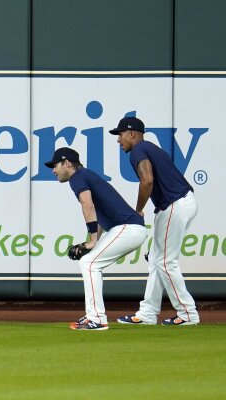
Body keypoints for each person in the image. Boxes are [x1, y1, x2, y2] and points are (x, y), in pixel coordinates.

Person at [44, 147, 147, 330]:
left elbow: (87, 205)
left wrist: (92, 240)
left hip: (127, 228)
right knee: (89, 262)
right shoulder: (85, 175)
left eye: (55, 165)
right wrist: (94, 241)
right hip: (127, 228)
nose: (53, 170)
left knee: (89, 264)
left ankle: (97, 318)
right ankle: (93, 315)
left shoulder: (77, 177)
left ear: (67, 163)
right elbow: (98, 212)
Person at [111, 116, 200, 326]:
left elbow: (147, 180)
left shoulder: (138, 150)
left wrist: (138, 210)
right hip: (180, 203)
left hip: (174, 205)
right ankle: (148, 313)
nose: (118, 140)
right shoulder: (151, 148)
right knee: (157, 260)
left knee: (165, 261)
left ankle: (188, 313)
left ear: (132, 134)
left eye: (120, 135)